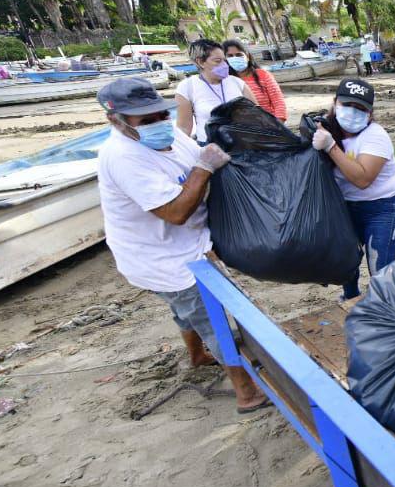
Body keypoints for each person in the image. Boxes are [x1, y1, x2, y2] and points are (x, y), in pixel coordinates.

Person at [95, 77, 268, 414]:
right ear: (116, 121)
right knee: (213, 320)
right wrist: (204, 168)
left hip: (187, 241)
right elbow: (175, 213)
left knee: (184, 310)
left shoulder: (168, 133)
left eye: (162, 114)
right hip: (161, 255)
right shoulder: (124, 157)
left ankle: (197, 356)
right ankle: (247, 393)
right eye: (146, 120)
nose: (159, 123)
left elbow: (197, 156)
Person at [310, 78, 395, 300]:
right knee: (346, 259)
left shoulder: (375, 136)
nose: (352, 112)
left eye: (360, 108)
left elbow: (362, 179)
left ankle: (387, 307)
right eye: (347, 105)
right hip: (345, 207)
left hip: (383, 207)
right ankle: (350, 298)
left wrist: (331, 147)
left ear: (370, 114)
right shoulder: (326, 128)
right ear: (335, 103)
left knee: (379, 266)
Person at [175, 39, 258, 143]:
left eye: (224, 60)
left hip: (243, 144)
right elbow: (184, 128)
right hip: (210, 147)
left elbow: (257, 116)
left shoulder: (237, 83)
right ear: (200, 62)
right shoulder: (187, 87)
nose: (225, 65)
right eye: (218, 61)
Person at [223, 39, 287, 122]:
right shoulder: (225, 81)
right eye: (230, 56)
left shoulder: (263, 75)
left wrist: (278, 125)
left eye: (239, 55)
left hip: (269, 124)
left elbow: (278, 102)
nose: (235, 58)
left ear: (247, 56)